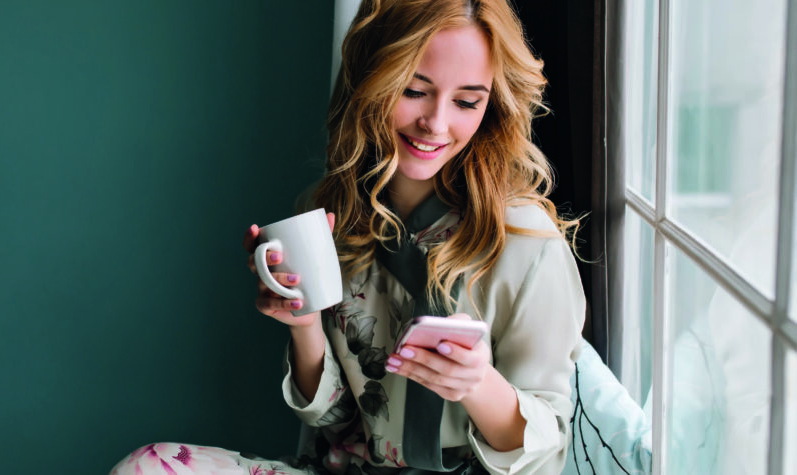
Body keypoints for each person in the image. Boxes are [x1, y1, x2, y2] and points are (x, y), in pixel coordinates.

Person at [111, 0, 585, 473]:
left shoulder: (527, 243)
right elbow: (336, 423)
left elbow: (547, 455)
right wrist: (304, 325)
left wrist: (477, 383)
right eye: (414, 90)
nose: (436, 124)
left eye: (466, 101)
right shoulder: (326, 217)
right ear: (371, 77)